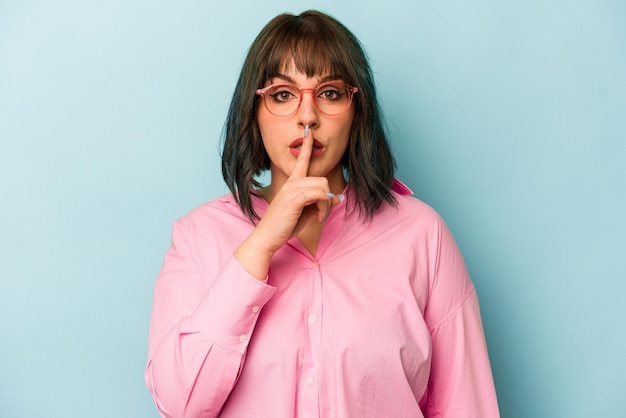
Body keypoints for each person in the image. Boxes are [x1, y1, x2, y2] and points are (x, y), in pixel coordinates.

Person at [145, 9, 499, 418]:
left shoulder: (422, 235)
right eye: (282, 94)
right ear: (253, 112)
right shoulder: (198, 237)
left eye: (329, 93)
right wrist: (260, 246)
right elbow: (177, 404)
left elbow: (466, 406)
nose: (307, 116)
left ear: (356, 110)